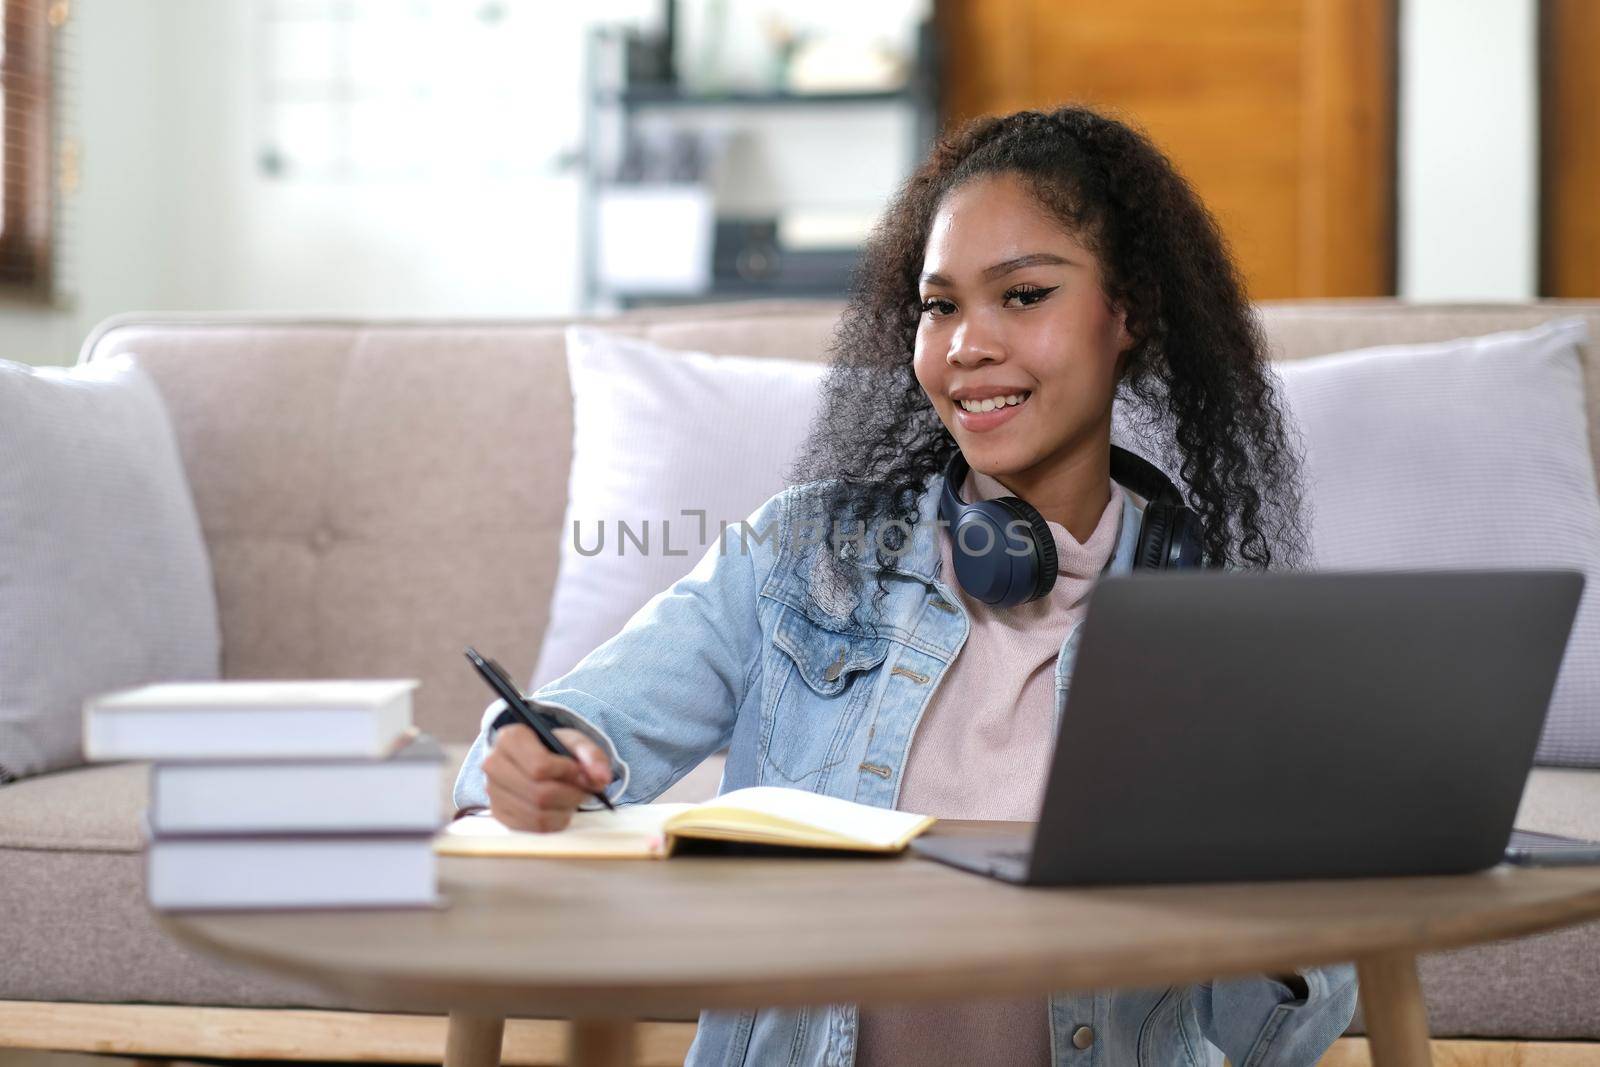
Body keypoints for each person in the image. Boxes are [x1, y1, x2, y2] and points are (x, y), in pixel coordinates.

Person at [453, 104, 1358, 1067]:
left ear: (1126, 311)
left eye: (1022, 295)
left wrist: (1278, 918)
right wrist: (533, 761)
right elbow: (547, 741)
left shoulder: (1215, 620)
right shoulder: (800, 556)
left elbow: (1291, 1030)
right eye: (940, 305)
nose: (967, 343)